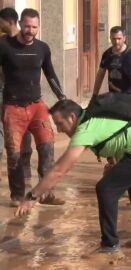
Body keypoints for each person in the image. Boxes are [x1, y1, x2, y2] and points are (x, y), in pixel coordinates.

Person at [15, 99, 131, 254]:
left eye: (60, 123)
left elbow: (58, 170)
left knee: (106, 189)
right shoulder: (94, 118)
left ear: (72, 117)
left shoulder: (85, 129)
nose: (59, 130)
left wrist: (32, 196)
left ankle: (109, 246)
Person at [0, 8, 66, 206]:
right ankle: (18, 196)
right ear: (20, 24)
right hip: (13, 107)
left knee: (47, 147)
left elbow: (51, 74)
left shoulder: (42, 48)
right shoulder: (4, 46)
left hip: (37, 106)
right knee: (14, 154)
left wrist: (61, 97)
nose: (30, 30)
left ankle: (46, 193)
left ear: (39, 27)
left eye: (34, 27)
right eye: (27, 26)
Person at [0, 7, 33, 184]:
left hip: (24, 94)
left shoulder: (26, 41)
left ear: (9, 21)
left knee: (25, 130)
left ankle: (25, 167)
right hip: (7, 92)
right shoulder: (3, 42)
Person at [91, 26, 127, 98]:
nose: (116, 42)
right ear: (110, 38)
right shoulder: (107, 54)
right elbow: (100, 75)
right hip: (113, 95)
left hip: (129, 96)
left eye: (119, 39)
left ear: (124, 38)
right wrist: (94, 95)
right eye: (114, 39)